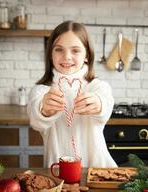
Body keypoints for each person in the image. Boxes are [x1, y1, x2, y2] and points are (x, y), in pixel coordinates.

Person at [27, 20, 117, 168]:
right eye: (59, 49)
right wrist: (44, 110)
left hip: (97, 169)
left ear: (87, 55)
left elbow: (106, 105)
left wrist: (99, 104)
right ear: (50, 54)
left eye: (75, 50)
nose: (67, 56)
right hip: (57, 172)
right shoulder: (42, 91)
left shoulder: (98, 87)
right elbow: (36, 120)